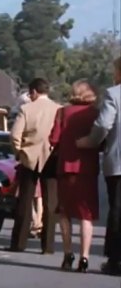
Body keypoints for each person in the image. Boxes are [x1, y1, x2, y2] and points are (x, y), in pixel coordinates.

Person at [49, 80, 101, 272]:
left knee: (65, 213)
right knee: (85, 215)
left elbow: (54, 139)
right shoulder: (96, 114)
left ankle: (67, 253)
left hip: (66, 166)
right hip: (88, 168)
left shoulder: (62, 112)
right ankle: (85, 257)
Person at [77, 56, 121, 276]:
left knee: (118, 210)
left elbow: (104, 124)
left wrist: (91, 142)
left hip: (119, 163)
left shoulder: (114, 94)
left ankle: (116, 260)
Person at [8, 78, 62, 253]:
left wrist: (19, 152)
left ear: (33, 92)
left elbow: (15, 134)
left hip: (29, 158)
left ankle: (18, 243)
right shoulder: (59, 109)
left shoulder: (26, 109)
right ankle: (48, 245)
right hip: (51, 157)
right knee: (50, 202)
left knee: (24, 200)